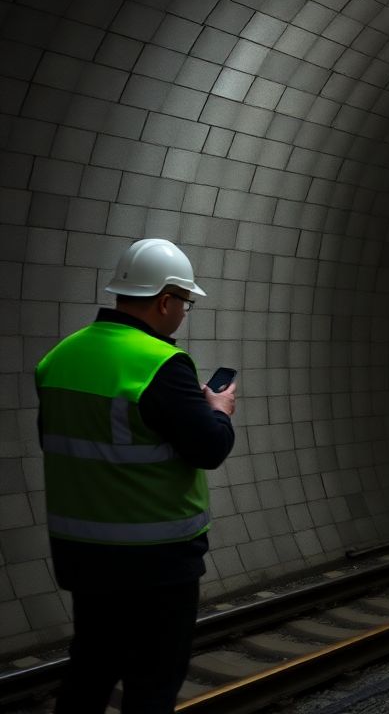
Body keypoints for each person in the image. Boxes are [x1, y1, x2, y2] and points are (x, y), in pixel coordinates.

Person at [34, 238, 237, 713]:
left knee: (90, 668)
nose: (184, 313)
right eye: (185, 303)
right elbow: (210, 449)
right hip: (156, 560)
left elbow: (62, 443)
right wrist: (220, 410)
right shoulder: (161, 364)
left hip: (82, 552)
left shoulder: (60, 357)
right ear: (165, 300)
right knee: (152, 682)